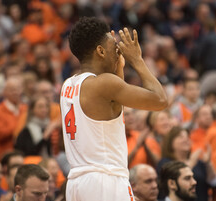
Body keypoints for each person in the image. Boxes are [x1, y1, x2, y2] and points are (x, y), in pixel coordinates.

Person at [60, 17, 167, 201]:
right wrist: (138, 60)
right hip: (106, 180)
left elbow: (114, 105)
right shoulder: (104, 84)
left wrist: (118, 67)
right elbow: (160, 100)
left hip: (77, 184)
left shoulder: (68, 85)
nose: (118, 51)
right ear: (100, 51)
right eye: (113, 47)